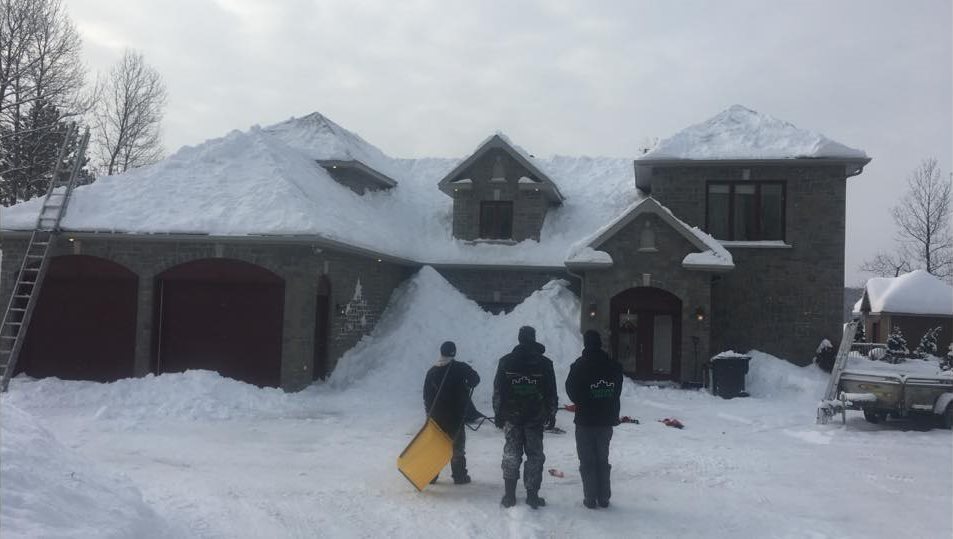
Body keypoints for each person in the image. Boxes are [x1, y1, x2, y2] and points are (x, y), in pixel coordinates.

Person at [492, 326, 558, 509]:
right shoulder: (545, 363)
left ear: (519, 339)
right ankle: (532, 496)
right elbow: (551, 391)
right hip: (535, 418)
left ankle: (510, 496)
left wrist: (498, 413)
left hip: (512, 417)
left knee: (511, 454)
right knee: (535, 456)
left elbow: (498, 390)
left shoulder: (506, 361)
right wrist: (552, 413)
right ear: (533, 339)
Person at [565, 329, 623, 509]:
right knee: (602, 459)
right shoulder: (614, 366)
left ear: (585, 344)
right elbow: (617, 391)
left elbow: (571, 390)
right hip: (606, 420)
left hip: (585, 420)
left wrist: (583, 401)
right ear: (600, 344)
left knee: (587, 460)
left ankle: (590, 498)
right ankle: (604, 497)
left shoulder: (579, 366)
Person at [423, 341, 481, 485]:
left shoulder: (431, 372)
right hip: (456, 416)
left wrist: (429, 414)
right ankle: (459, 475)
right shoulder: (460, 368)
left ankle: (432, 475)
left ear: (441, 352)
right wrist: (467, 385)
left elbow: (427, 396)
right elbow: (475, 379)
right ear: (454, 352)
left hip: (436, 416)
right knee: (457, 447)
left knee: (436, 446)